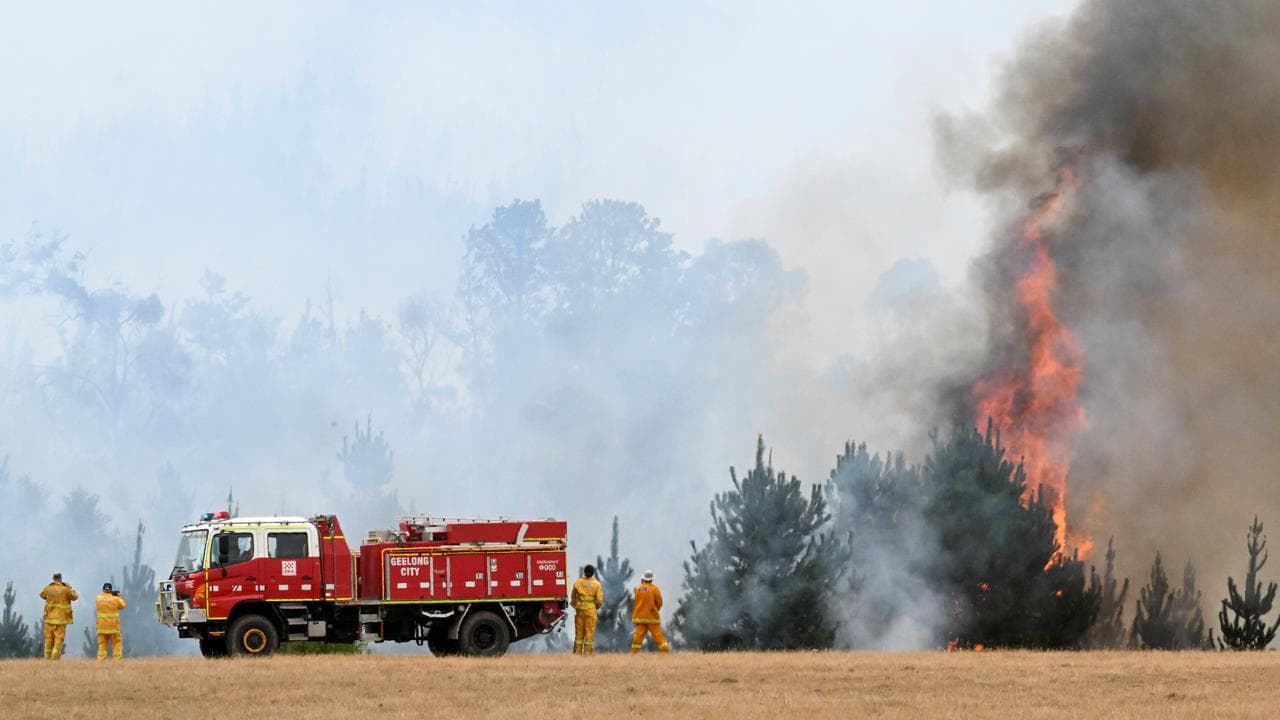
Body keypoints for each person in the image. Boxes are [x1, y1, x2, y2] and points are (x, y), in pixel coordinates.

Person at [39, 572, 78, 660]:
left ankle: (47, 658)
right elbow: (75, 597)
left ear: (53, 579)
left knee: (49, 640)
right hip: (61, 619)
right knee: (58, 640)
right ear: (60, 579)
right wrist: (70, 587)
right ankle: (54, 658)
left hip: (49, 619)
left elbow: (42, 595)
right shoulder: (65, 589)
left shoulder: (48, 588)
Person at [630, 569, 669, 653]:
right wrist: (655, 609)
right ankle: (665, 653)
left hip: (640, 618)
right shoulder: (655, 589)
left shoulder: (637, 588)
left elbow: (636, 599)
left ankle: (634, 655)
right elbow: (659, 602)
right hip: (652, 618)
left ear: (643, 578)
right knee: (658, 637)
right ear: (652, 579)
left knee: (637, 638)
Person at [570, 564, 604, 655]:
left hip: (580, 611)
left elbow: (573, 596)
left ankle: (577, 653)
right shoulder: (597, 584)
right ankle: (587, 654)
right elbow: (599, 600)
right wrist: (596, 607)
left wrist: (575, 605)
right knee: (589, 632)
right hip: (591, 611)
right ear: (593, 573)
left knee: (579, 633)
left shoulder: (578, 582)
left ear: (584, 572)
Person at [95, 582, 127, 660]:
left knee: (102, 644)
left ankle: (100, 661)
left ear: (103, 590)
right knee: (116, 643)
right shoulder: (115, 599)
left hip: (101, 627)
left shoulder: (98, 598)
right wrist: (118, 596)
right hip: (113, 626)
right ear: (111, 590)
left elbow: (104, 599)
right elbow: (123, 606)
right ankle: (117, 660)